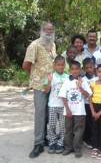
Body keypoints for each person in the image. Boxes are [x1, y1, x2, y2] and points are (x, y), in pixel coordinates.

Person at [23, 22, 57, 158]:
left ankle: (46, 138)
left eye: (51, 30)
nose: (48, 31)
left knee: (50, 112)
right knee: (40, 113)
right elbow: (26, 65)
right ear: (41, 31)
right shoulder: (34, 45)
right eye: (46, 29)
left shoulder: (53, 45)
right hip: (39, 86)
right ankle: (38, 144)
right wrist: (34, 77)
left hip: (52, 85)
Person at [58, 60, 92, 158]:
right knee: (68, 130)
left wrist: (80, 88)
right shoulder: (67, 81)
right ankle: (68, 148)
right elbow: (63, 96)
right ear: (69, 70)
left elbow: (88, 95)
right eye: (72, 69)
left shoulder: (83, 81)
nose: (74, 71)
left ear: (80, 70)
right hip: (68, 111)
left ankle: (77, 148)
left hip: (80, 111)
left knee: (79, 131)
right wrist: (67, 109)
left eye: (76, 69)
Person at [44, 56, 68, 154]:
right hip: (52, 105)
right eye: (58, 65)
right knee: (51, 125)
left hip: (63, 106)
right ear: (54, 66)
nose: (60, 67)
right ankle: (52, 142)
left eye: (62, 65)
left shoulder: (67, 77)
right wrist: (49, 81)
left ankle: (61, 143)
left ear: (65, 65)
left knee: (63, 126)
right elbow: (46, 91)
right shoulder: (51, 76)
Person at [82, 58, 98, 149]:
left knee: (94, 122)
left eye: (90, 67)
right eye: (86, 68)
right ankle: (86, 139)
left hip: (96, 103)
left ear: (94, 66)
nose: (89, 69)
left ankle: (94, 138)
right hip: (86, 104)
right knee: (87, 122)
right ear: (83, 69)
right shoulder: (82, 79)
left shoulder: (98, 78)